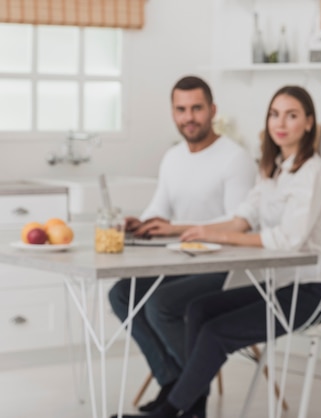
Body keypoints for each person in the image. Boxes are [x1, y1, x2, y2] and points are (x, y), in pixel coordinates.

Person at [116, 85, 321, 418]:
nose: (280, 123)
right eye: (274, 114)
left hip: (312, 291)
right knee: (197, 310)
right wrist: (195, 230)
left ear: (308, 123)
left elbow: (287, 239)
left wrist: (223, 237)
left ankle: (170, 412)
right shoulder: (273, 168)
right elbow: (242, 219)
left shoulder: (313, 172)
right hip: (278, 283)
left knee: (214, 331)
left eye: (292, 115)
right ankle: (192, 410)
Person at [108, 75, 256, 413]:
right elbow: (159, 209)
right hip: (180, 264)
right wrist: (141, 223)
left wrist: (173, 228)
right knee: (121, 293)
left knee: (160, 304)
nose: (189, 117)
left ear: (212, 110)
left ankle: (186, 398)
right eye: (181, 109)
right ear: (173, 113)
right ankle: (177, 385)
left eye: (196, 109)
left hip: (225, 268)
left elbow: (239, 223)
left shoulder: (235, 159)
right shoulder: (173, 157)